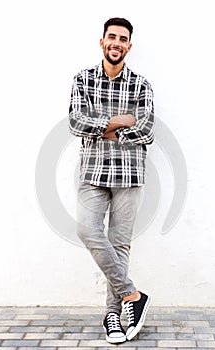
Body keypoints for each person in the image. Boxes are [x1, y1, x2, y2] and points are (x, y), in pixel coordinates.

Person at [68, 17, 155, 344]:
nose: (116, 43)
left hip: (130, 173)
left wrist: (103, 125)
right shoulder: (84, 79)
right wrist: (121, 121)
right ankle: (132, 295)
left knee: (119, 246)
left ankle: (112, 315)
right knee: (87, 230)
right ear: (102, 42)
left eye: (123, 39)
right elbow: (76, 121)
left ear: (128, 46)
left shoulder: (141, 84)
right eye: (112, 37)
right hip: (93, 170)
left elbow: (146, 129)